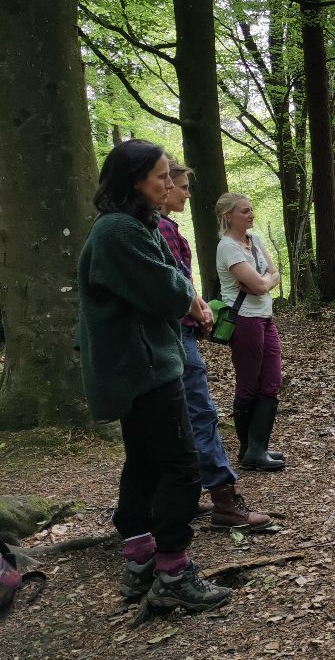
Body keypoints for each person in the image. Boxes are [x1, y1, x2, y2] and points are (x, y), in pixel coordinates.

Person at [77, 139, 230, 612]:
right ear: (135, 181)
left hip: (140, 365)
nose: (169, 183)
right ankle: (173, 572)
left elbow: (170, 281)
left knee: (143, 462)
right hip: (143, 369)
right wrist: (187, 294)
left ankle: (141, 557)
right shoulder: (119, 231)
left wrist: (184, 291)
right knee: (180, 466)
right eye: (161, 176)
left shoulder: (131, 225)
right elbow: (169, 292)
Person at [159, 160, 270, 530]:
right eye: (181, 186)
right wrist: (197, 309)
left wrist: (199, 307)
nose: (187, 194)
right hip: (176, 333)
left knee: (178, 417)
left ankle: (184, 496)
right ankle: (224, 500)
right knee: (200, 413)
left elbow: (269, 276)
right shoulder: (158, 228)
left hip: (177, 331)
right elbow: (175, 281)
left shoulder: (164, 227)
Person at [214, 193, 285, 472]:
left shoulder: (255, 240)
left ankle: (257, 448)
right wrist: (264, 283)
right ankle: (249, 450)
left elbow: (273, 276)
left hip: (265, 318)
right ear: (228, 216)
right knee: (249, 383)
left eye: (251, 210)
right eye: (244, 211)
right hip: (244, 320)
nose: (251, 214)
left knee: (272, 380)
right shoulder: (227, 247)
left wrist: (264, 282)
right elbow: (259, 285)